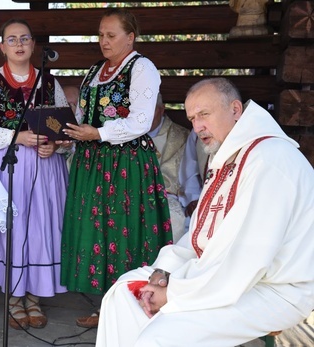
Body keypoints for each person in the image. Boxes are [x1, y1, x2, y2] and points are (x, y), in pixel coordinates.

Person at [95, 77, 314, 346]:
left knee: (160, 336)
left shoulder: (269, 160)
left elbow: (245, 259)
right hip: (223, 276)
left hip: (274, 290)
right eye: (192, 118)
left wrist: (173, 293)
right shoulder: (226, 155)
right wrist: (165, 270)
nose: (197, 126)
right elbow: (202, 231)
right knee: (123, 295)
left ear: (235, 109)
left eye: (204, 114)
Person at [60, 8, 173, 329]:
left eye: (111, 35)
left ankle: (135, 306)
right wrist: (69, 137)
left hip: (125, 163)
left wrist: (98, 134)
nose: (103, 41)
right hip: (92, 163)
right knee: (99, 230)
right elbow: (85, 116)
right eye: (100, 35)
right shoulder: (96, 69)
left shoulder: (142, 68)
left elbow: (140, 120)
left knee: (124, 231)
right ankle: (107, 307)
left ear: (130, 37)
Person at [0, 18, 72, 330]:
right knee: (12, 230)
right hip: (5, 166)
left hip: (44, 170)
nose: (19, 44)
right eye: (12, 39)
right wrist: (18, 137)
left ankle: (35, 297)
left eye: (24, 38)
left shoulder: (50, 83)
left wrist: (57, 146)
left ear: (34, 45)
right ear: (2, 46)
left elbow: (62, 127)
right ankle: (12, 297)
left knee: (39, 229)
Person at [147, 93, 193, 243]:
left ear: (162, 109)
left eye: (150, 110)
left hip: (167, 196)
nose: (145, 116)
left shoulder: (182, 136)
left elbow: (190, 174)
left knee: (171, 217)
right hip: (131, 194)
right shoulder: (126, 136)